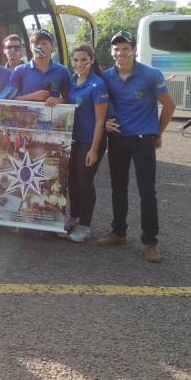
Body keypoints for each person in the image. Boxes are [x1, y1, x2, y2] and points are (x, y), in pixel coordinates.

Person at [98, 30, 176, 263]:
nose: (120, 53)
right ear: (111, 52)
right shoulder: (106, 77)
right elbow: (101, 106)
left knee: (147, 192)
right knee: (118, 188)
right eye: (116, 49)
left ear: (133, 49)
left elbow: (169, 106)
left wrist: (158, 133)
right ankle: (118, 232)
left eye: (125, 48)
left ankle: (150, 242)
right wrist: (106, 121)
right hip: (117, 139)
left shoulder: (151, 74)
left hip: (143, 140)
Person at [66, 45, 109, 243]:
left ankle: (85, 226)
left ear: (92, 60)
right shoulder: (72, 81)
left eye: (84, 60)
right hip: (72, 140)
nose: (80, 64)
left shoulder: (98, 85)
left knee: (85, 182)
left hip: (90, 141)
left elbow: (101, 120)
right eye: (76, 60)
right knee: (72, 181)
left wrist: (94, 149)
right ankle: (74, 218)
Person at [9, 30, 71, 107]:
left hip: (52, 114)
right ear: (31, 47)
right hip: (26, 114)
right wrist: (32, 96)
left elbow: (71, 98)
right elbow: (9, 99)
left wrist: (58, 100)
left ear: (52, 47)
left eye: (44, 43)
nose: (39, 47)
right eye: (36, 44)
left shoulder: (62, 71)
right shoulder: (19, 71)